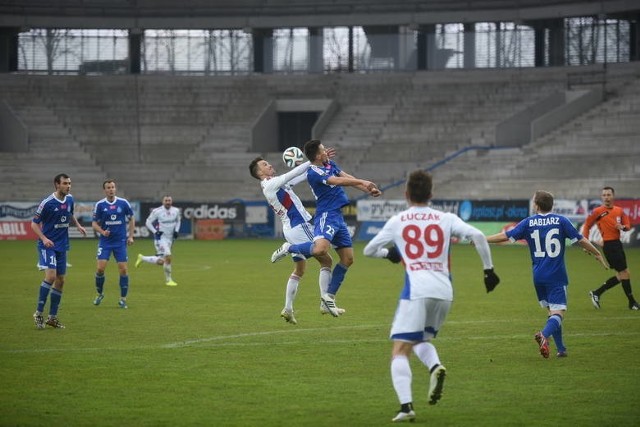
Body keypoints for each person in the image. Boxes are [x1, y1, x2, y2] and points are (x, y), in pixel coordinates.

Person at [363, 169, 500, 423]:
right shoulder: (446, 218)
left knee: (399, 350)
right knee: (420, 339)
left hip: (416, 290)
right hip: (444, 291)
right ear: (431, 194)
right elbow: (478, 235)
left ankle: (406, 407)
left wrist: (391, 255)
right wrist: (488, 270)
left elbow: (370, 250)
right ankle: (435, 367)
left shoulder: (399, 220)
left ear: (406, 194)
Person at [487, 190, 608, 360]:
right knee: (558, 313)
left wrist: (483, 239)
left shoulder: (528, 222)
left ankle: (561, 349)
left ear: (536, 205)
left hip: (538, 275)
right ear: (552, 205)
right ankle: (544, 335)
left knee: (552, 311)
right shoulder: (561, 221)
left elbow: (505, 236)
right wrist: (597, 252)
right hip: (556, 275)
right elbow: (581, 240)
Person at [271, 139, 382, 317]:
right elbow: (336, 181)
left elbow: (348, 178)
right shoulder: (313, 172)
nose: (326, 151)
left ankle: (328, 298)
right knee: (320, 250)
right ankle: (288, 248)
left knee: (348, 259)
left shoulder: (330, 164)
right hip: (326, 215)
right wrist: (365, 181)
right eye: (323, 149)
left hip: (338, 216)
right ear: (317, 155)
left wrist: (367, 189)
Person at [250, 151, 337, 325]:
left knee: (300, 270)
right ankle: (324, 302)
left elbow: (302, 174)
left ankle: (288, 309)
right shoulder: (270, 184)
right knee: (326, 260)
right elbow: (293, 174)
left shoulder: (275, 184)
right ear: (260, 173)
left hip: (291, 230)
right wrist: (314, 158)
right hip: (300, 226)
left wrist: (319, 162)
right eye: (265, 165)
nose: (269, 165)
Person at [31, 173, 87, 329]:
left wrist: (77, 225)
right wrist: (44, 239)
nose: (68, 186)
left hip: (62, 245)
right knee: (51, 276)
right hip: (48, 245)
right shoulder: (47, 203)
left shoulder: (70, 199)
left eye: (69, 183)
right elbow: (34, 224)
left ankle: (52, 317)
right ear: (57, 184)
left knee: (61, 280)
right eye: (65, 183)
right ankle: (38, 313)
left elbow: (70, 214)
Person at [582, 186, 639, 310]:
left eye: (609, 195)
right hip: (609, 246)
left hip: (617, 244)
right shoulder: (597, 211)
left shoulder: (619, 211)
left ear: (613, 196)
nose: (606, 197)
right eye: (604, 195)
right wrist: (585, 243)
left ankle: (597, 293)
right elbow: (587, 225)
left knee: (622, 274)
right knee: (624, 273)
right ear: (602, 197)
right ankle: (632, 303)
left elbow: (628, 226)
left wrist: (622, 227)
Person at [91, 179, 135, 309]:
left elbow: (131, 218)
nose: (111, 189)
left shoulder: (123, 203)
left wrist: (131, 236)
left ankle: (123, 299)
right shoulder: (100, 205)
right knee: (100, 269)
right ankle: (99, 294)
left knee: (123, 269)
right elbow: (94, 223)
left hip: (120, 242)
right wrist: (102, 231)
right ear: (104, 190)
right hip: (105, 242)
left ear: (115, 189)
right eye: (108, 187)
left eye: (113, 187)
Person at [135, 195, 181, 287]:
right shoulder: (157, 211)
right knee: (168, 256)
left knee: (162, 261)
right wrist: (155, 232)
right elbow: (148, 222)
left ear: (171, 201)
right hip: (161, 238)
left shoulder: (176, 211)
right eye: (166, 200)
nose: (168, 202)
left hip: (170, 238)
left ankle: (142, 258)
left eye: (169, 200)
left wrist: (176, 230)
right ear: (163, 201)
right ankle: (169, 280)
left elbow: (178, 221)